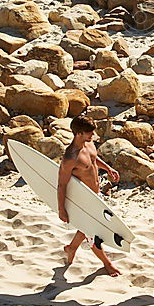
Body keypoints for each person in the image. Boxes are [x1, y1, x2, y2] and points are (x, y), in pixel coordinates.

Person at [57, 115, 121, 276]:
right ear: (78, 133)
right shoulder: (70, 157)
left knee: (87, 229)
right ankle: (107, 264)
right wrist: (61, 209)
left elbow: (93, 159)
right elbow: (61, 184)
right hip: (84, 199)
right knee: (94, 232)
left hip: (96, 195)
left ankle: (71, 248)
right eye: (89, 133)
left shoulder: (89, 144)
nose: (93, 136)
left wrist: (108, 168)